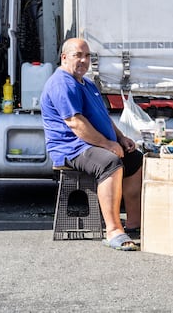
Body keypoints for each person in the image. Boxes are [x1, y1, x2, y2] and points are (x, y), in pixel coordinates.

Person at [41, 38, 143, 251]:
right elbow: (76, 123)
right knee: (110, 163)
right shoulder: (62, 82)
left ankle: (134, 223)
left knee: (135, 159)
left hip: (91, 144)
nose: (84, 60)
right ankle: (113, 231)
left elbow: (102, 117)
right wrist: (107, 145)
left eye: (87, 56)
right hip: (71, 148)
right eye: (78, 55)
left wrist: (121, 138)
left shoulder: (86, 83)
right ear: (64, 57)